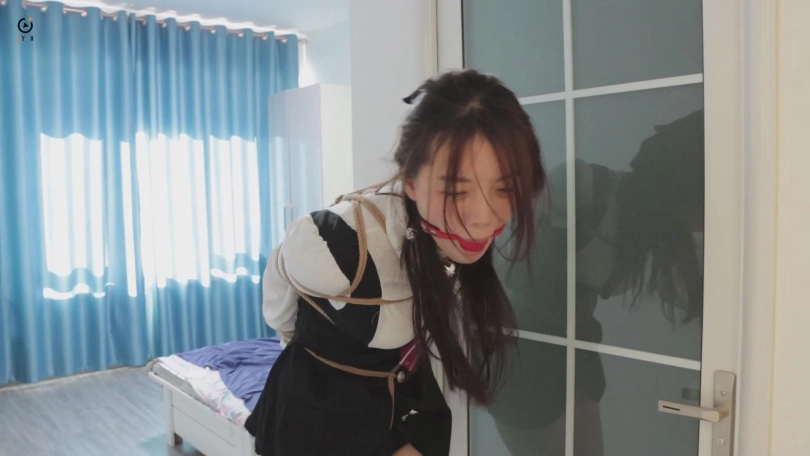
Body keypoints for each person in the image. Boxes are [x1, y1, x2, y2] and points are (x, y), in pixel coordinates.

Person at [244, 69, 548, 456]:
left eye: (504, 188)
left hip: (403, 394)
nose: (483, 218)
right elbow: (279, 298)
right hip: (322, 411)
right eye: (457, 191)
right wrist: (299, 337)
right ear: (411, 181)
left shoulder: (444, 235)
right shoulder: (337, 246)